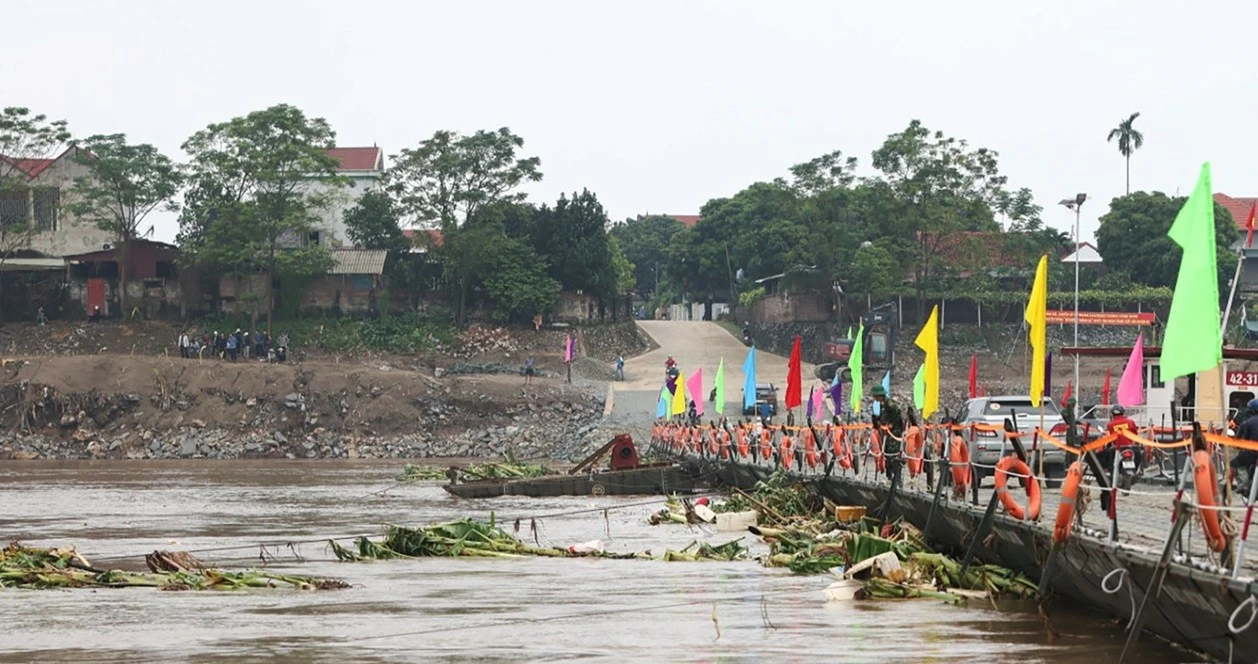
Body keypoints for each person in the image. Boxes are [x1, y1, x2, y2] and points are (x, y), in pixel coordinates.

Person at [870, 384, 905, 485]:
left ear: (879, 395)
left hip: (894, 433)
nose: (873, 398)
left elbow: (897, 413)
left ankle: (897, 479)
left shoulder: (889, 404)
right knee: (886, 453)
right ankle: (889, 476)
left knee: (893, 454)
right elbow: (884, 416)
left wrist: (892, 424)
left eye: (874, 396)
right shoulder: (883, 404)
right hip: (887, 432)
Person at [1232, 399, 1258, 496]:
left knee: (1234, 463)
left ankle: (1244, 485)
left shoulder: (1247, 423)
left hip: (1251, 453)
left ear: (1251, 411)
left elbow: (1242, 440)